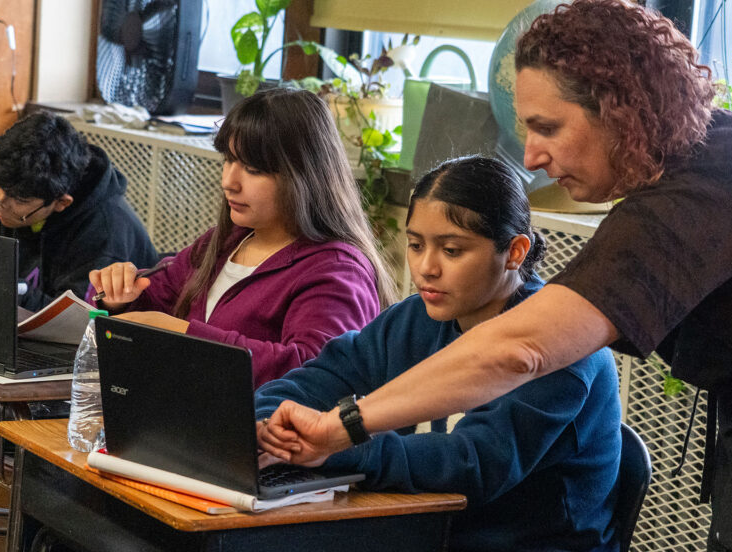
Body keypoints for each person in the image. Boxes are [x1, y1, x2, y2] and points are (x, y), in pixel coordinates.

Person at [259, 0, 732, 552]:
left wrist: (344, 427)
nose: (530, 155)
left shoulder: (710, 185)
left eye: (547, 128)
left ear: (620, 110)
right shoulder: (698, 165)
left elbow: (522, 348)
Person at [256, 155, 621, 551]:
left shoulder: (561, 347)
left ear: (515, 252)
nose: (426, 268)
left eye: (451, 250)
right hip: (423, 532)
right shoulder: (413, 318)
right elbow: (319, 379)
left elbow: (474, 465)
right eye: (415, 245)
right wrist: (268, 422)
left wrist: (340, 446)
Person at [90, 88, 397, 388]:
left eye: (252, 169)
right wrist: (119, 296)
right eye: (228, 160)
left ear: (303, 176)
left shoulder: (337, 269)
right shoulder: (224, 243)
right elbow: (155, 297)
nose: (229, 182)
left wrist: (184, 337)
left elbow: (317, 372)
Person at [0, 111, 158, 311]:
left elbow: (75, 324)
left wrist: (7, 288)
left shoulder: (106, 234)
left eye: (19, 201)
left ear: (61, 202)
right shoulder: (6, 187)